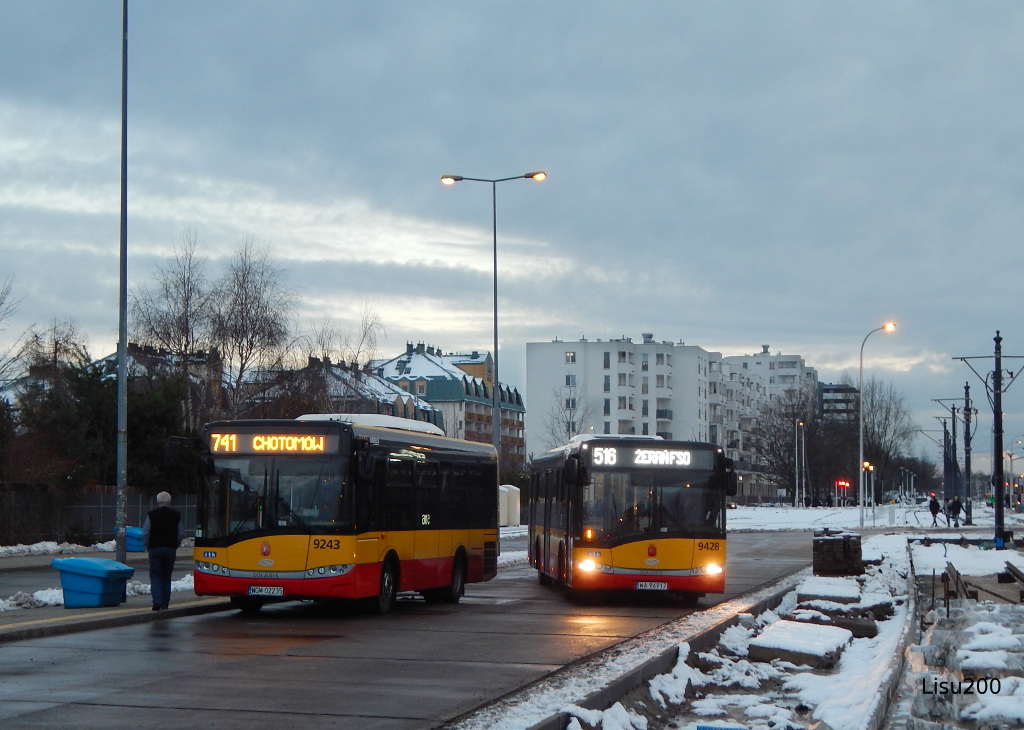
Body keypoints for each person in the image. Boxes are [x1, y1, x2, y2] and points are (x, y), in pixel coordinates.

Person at [142, 491, 185, 611]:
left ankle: (157, 601)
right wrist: (176, 544)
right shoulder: (176, 515)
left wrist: (148, 545)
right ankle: (165, 603)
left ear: (158, 501)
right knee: (166, 575)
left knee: (155, 575)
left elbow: (145, 532)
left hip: (155, 548)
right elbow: (181, 533)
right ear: (169, 501)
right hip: (170, 548)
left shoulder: (151, 514)